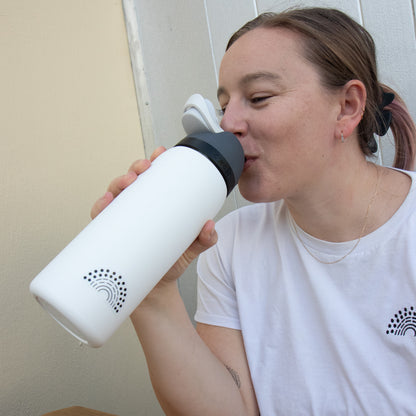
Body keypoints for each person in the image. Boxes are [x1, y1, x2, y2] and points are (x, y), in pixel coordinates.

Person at [91, 7, 416, 415]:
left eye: (259, 98)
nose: (228, 123)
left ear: (347, 106)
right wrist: (151, 292)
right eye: (224, 105)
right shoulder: (230, 242)